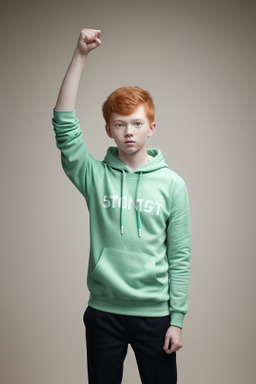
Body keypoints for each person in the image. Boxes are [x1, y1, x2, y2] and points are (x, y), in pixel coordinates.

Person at [52, 28, 191, 384]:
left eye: (137, 124)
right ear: (108, 130)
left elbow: (180, 255)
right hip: (103, 313)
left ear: (151, 128)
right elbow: (64, 125)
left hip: (155, 315)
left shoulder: (172, 184)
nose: (129, 131)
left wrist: (177, 319)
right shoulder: (94, 176)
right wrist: (80, 54)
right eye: (120, 124)